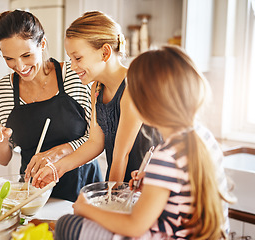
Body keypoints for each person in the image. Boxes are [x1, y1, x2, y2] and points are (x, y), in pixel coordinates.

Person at [55, 45, 234, 239]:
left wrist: (85, 209)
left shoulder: (165, 156)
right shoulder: (203, 136)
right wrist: (152, 183)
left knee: (67, 224)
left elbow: (134, 226)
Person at [0, 9, 102, 202]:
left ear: (42, 44)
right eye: (9, 59)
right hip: (34, 195)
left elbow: (96, 139)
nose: (19, 66)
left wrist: (56, 153)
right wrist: (1, 140)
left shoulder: (75, 75)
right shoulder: (3, 91)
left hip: (83, 191)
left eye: (26, 55)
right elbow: (3, 160)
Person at [32, 11, 161, 188]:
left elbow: (121, 155)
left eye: (78, 58)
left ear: (105, 52)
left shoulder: (133, 86)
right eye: (70, 59)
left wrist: (110, 200)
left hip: (148, 187)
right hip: (122, 183)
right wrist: (56, 168)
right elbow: (95, 142)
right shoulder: (97, 88)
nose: (72, 65)